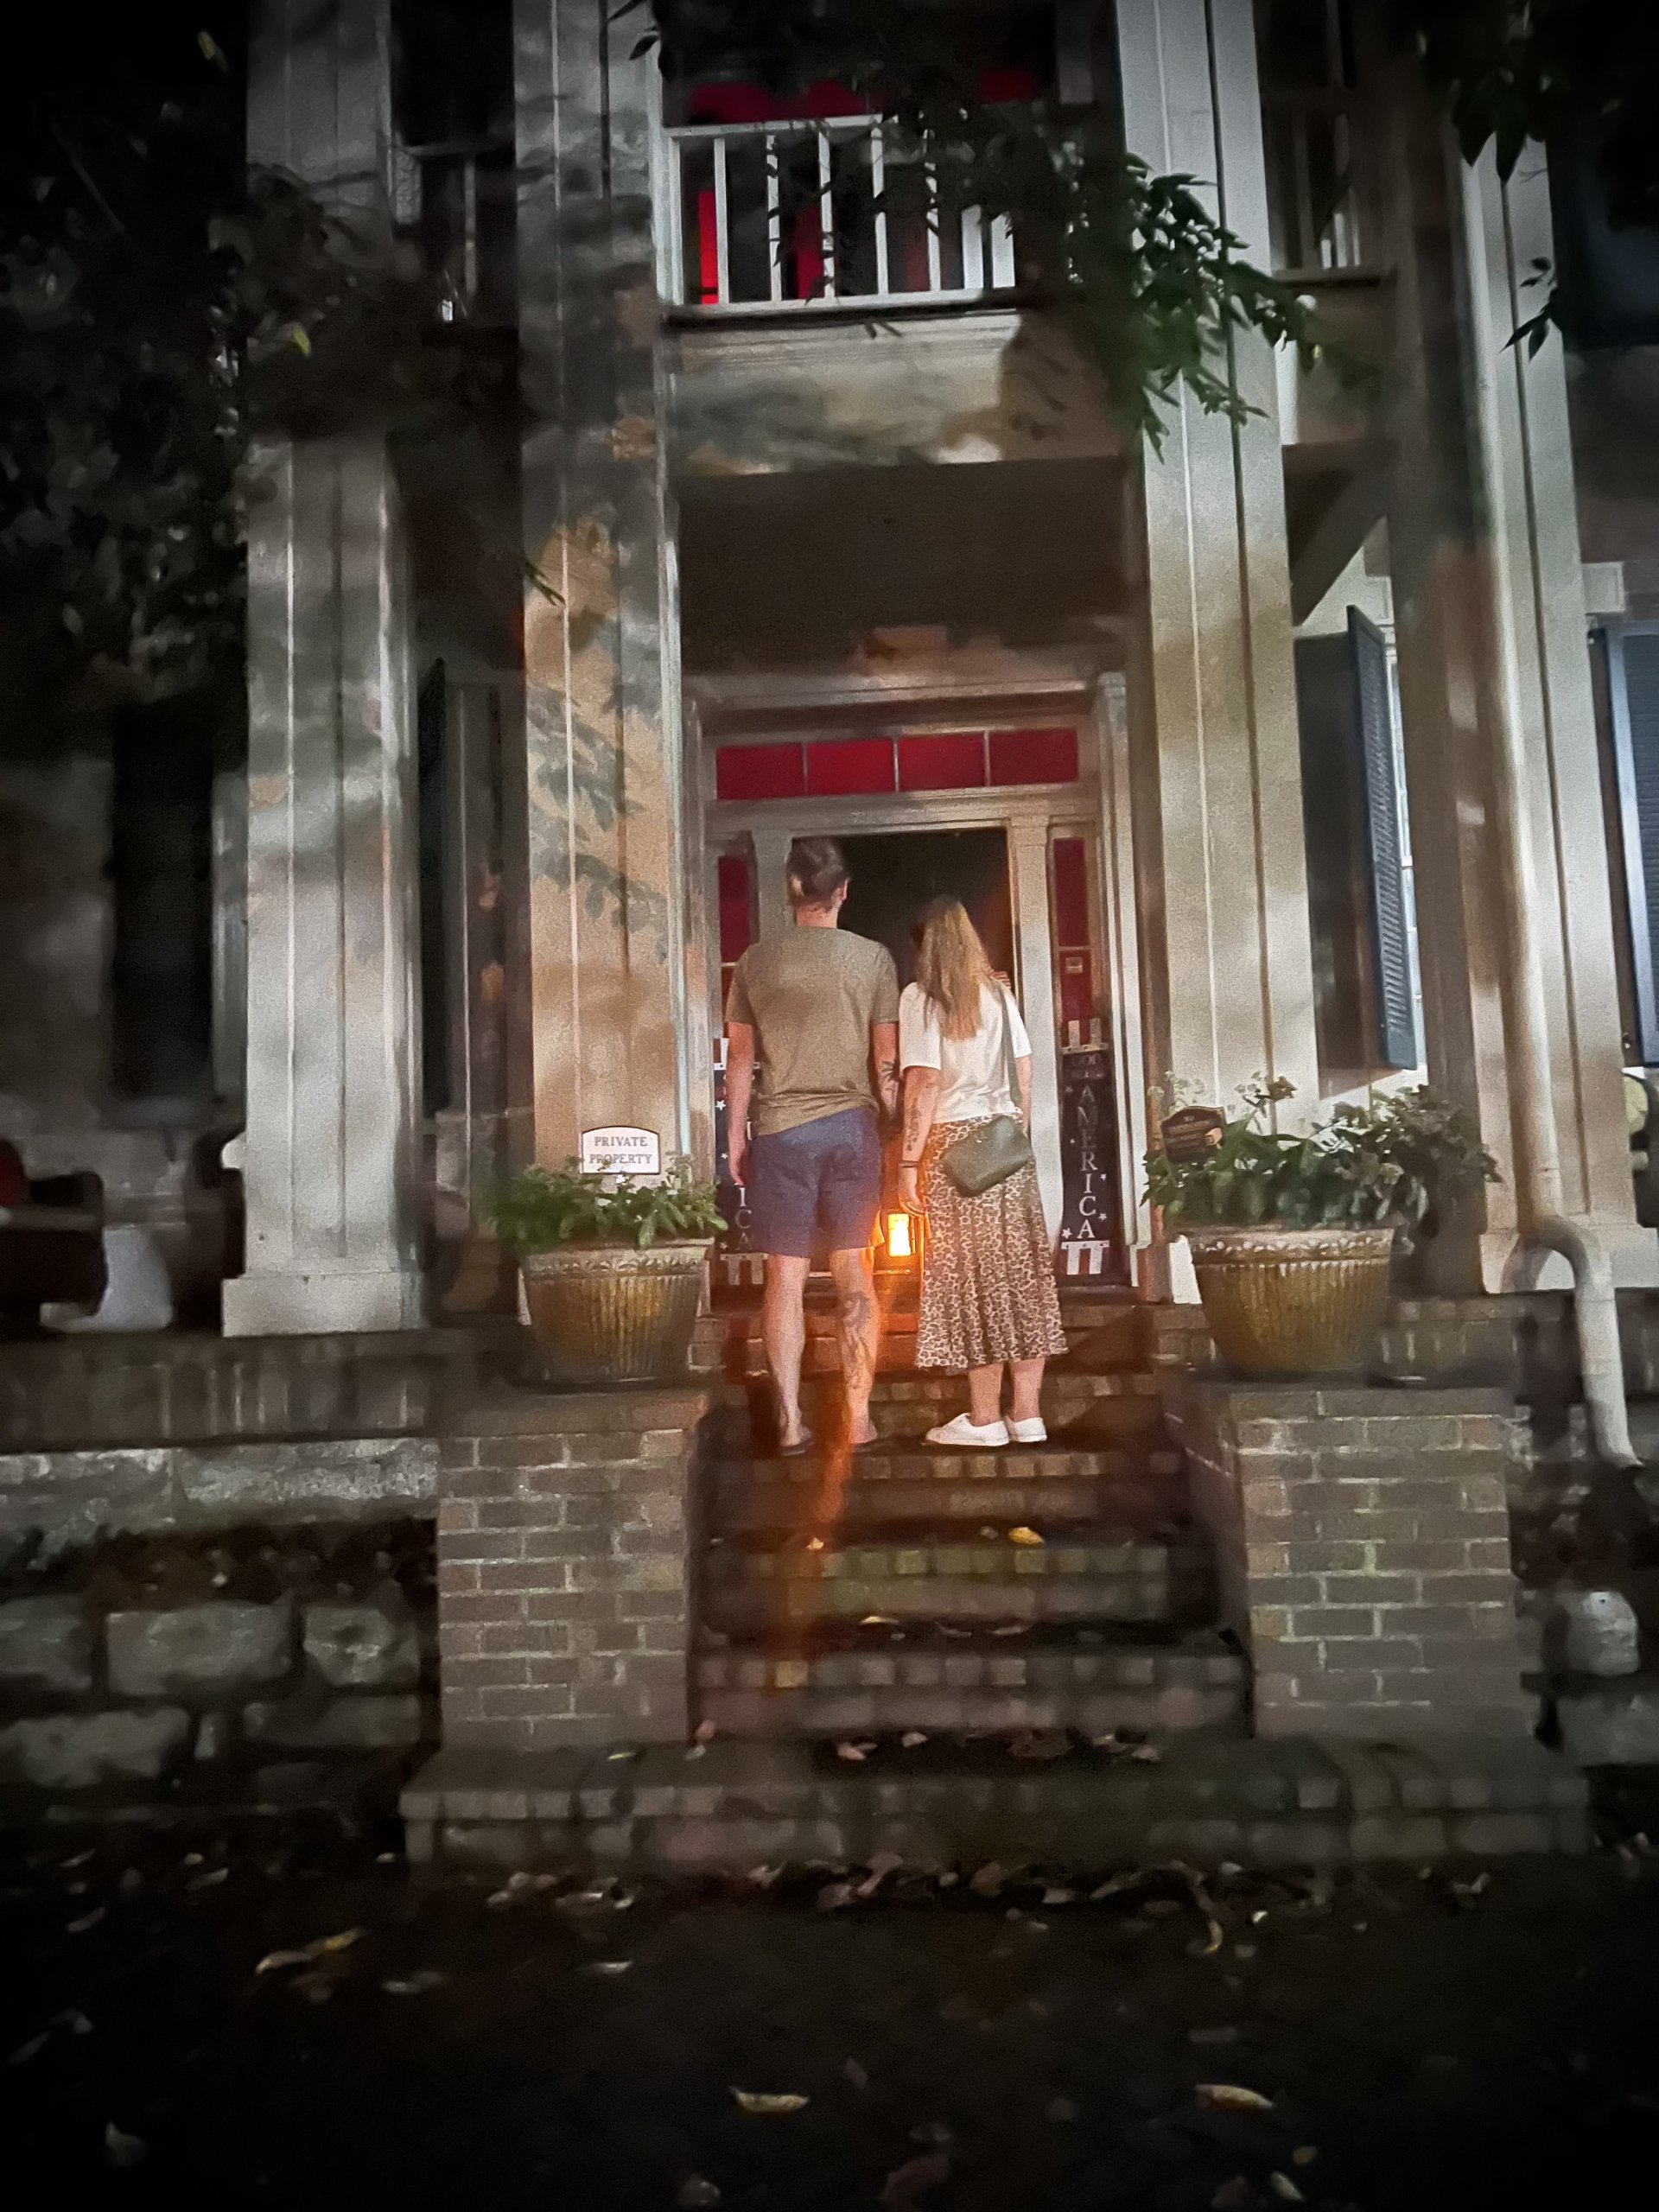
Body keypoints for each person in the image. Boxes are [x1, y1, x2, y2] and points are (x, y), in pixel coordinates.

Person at [725, 838, 900, 1454]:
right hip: (852, 1128)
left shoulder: (754, 962)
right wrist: (894, 1125)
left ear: (790, 891)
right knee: (856, 1275)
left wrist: (734, 1138)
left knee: (785, 1280)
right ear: (843, 892)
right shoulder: (873, 959)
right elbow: (886, 1059)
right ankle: (856, 1418)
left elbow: (741, 1059)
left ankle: (791, 1420)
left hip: (780, 1132)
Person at [896, 896, 1066, 1446]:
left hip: (952, 1150)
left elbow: (921, 1084)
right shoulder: (999, 995)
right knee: (1023, 1278)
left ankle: (985, 1419)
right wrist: (1014, 1127)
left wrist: (907, 1162)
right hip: (1005, 1146)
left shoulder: (921, 1000)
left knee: (971, 1282)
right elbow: (1024, 1069)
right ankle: (1029, 1414)